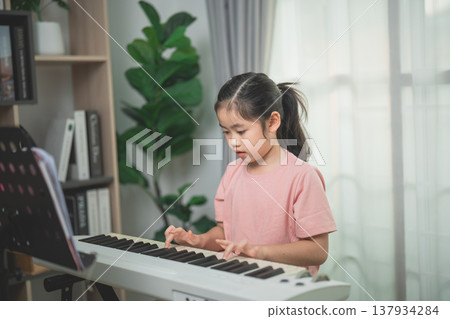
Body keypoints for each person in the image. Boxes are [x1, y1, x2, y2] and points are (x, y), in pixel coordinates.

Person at [164, 72, 336, 274]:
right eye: (226, 132)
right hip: (240, 282)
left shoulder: (303, 177)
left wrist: (260, 252)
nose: (233, 141)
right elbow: (223, 232)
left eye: (241, 131)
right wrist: (199, 241)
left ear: (272, 122)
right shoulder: (231, 173)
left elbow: (318, 250)